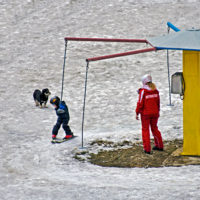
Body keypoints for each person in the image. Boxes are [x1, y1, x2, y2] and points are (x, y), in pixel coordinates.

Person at [135, 74, 163, 154]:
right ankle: (159, 145)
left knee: (145, 130)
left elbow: (140, 103)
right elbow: (158, 102)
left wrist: (137, 112)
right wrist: (158, 111)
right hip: (155, 113)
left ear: (144, 82)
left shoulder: (143, 91)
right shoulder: (155, 90)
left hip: (146, 114)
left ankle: (147, 149)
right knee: (155, 128)